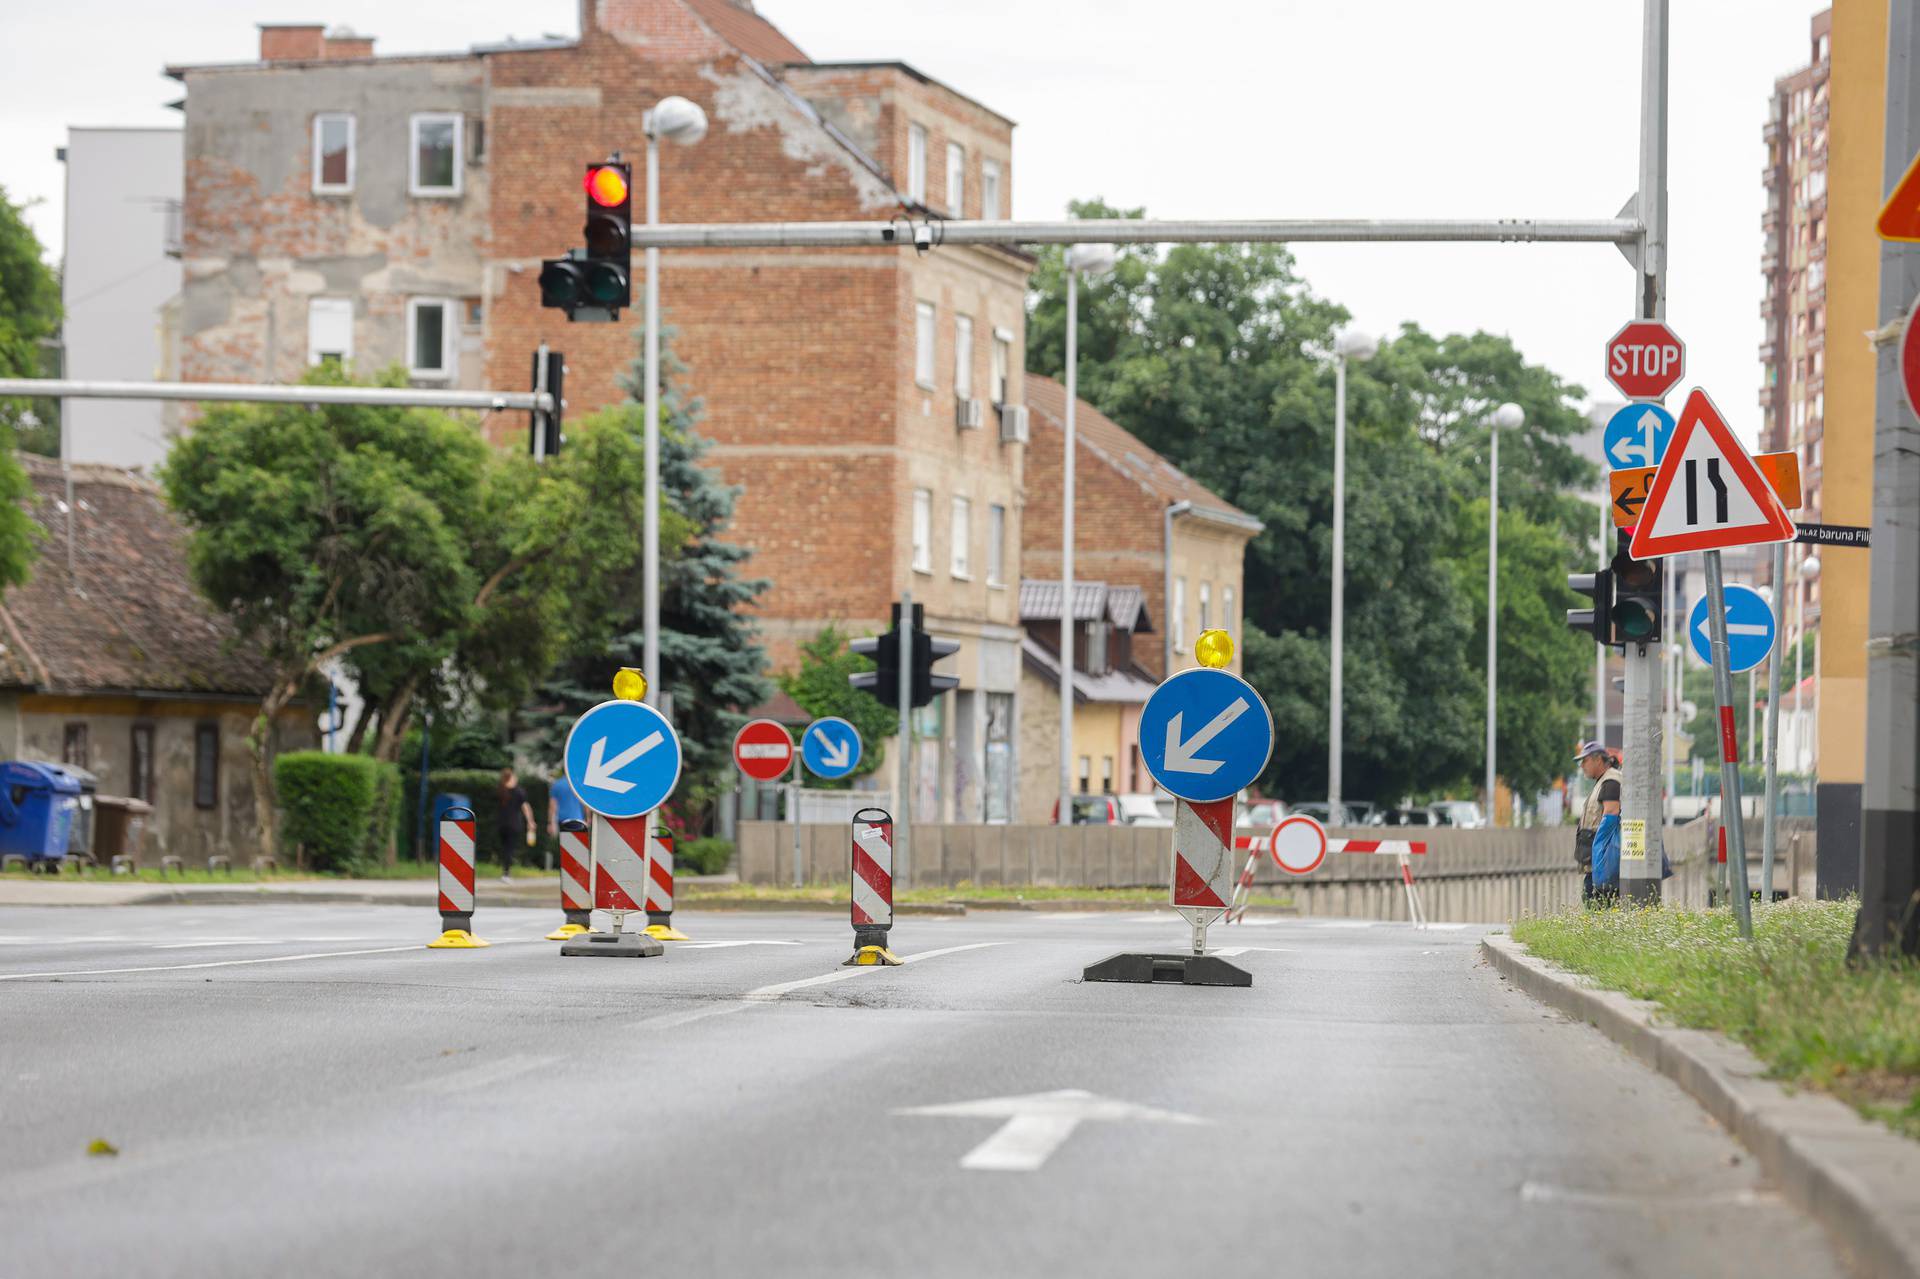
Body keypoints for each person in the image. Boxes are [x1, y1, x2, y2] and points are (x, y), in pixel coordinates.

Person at [1574, 741, 1622, 906]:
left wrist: (1598, 851)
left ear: (1598, 760)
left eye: (1585, 761)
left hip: (1604, 863)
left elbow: (1611, 815)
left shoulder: (1611, 781)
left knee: (1596, 904)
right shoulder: (1603, 781)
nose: (1582, 766)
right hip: (1597, 863)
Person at [495, 766, 535, 883]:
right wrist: (530, 822)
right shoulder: (519, 791)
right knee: (510, 849)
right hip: (514, 824)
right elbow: (525, 807)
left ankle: (505, 871)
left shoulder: (500, 790)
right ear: (511, 777)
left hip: (501, 823)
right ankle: (506, 873)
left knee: (504, 848)